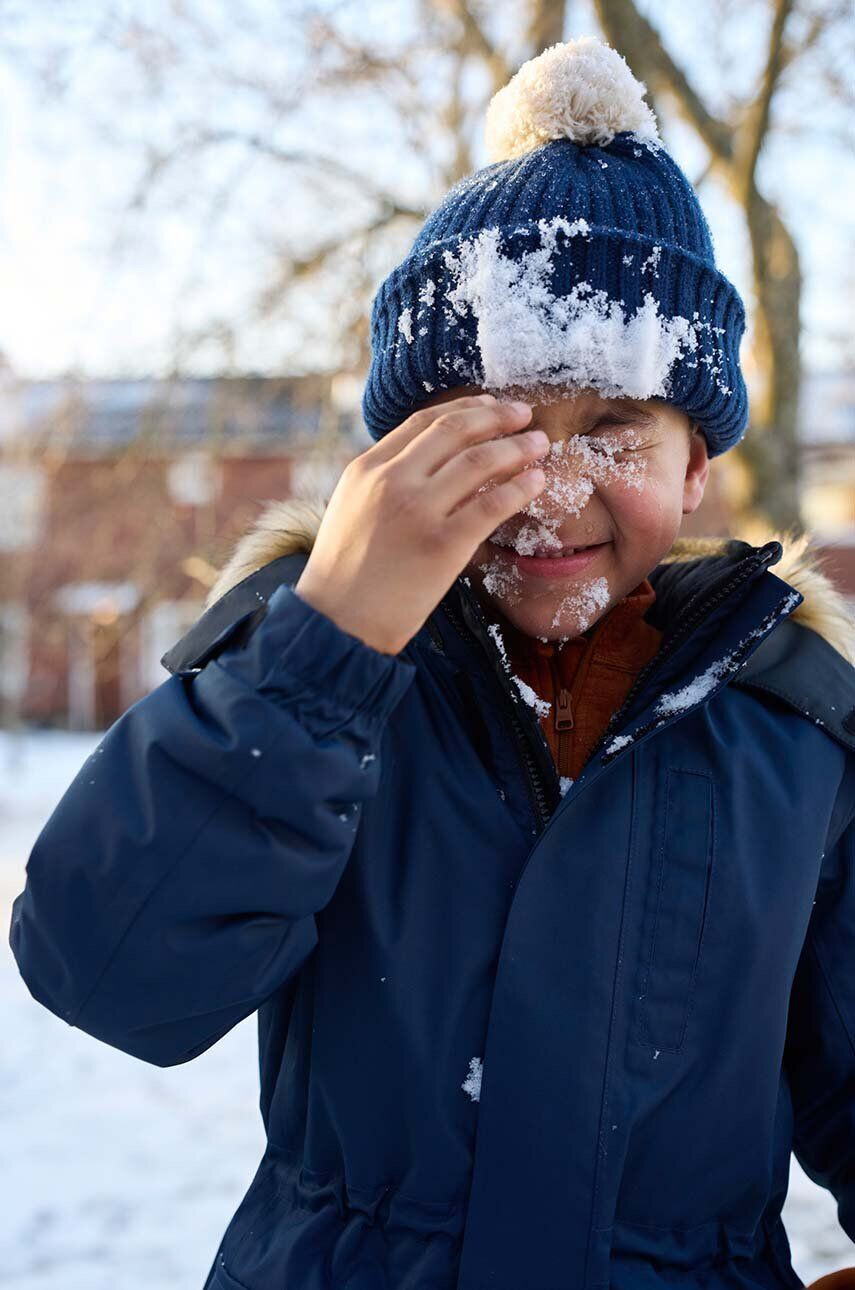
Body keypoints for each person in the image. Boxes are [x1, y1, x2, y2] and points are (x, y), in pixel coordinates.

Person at [9, 36, 855, 1290]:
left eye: (613, 427)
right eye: (491, 427)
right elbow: (116, 974)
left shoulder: (798, 729)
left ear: (695, 469)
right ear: (397, 460)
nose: (549, 486)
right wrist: (329, 637)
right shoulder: (306, 667)